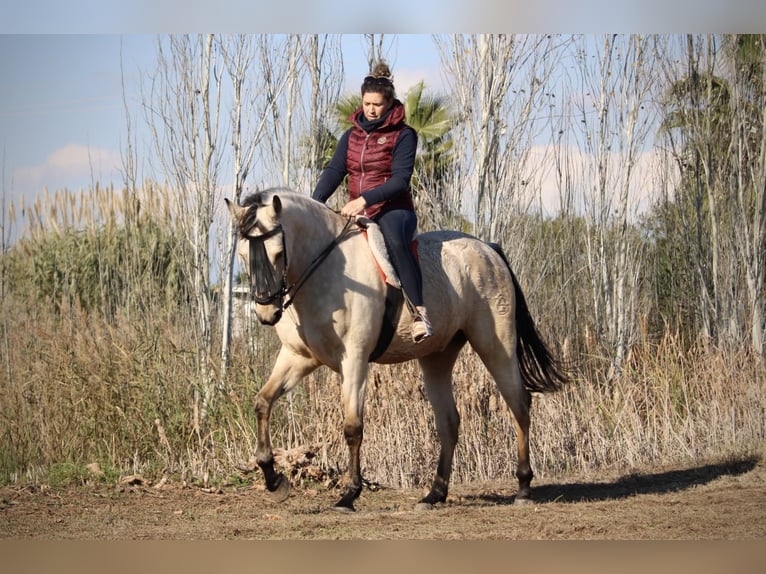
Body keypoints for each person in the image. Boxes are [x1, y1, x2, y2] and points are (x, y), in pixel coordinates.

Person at [312, 61, 432, 343]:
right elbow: (334, 171)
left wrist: (363, 200)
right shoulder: (351, 135)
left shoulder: (404, 135)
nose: (371, 109)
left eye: (377, 104)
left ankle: (420, 314)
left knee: (394, 239)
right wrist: (315, 202)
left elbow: (400, 181)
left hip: (393, 209)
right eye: (367, 103)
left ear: (389, 103)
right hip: (358, 209)